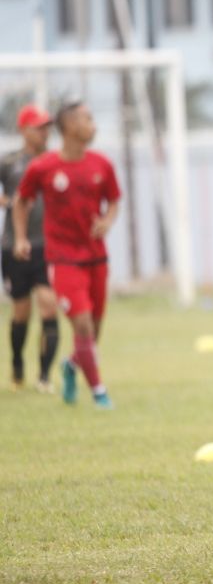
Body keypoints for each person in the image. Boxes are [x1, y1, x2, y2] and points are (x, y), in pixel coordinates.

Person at [13, 102, 120, 409]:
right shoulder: (43, 167)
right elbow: (22, 201)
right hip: (63, 259)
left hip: (97, 257)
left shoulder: (102, 164)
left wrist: (108, 221)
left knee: (93, 333)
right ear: (70, 126)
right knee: (82, 326)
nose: (94, 125)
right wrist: (20, 238)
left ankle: (71, 366)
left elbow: (113, 200)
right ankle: (99, 391)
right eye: (88, 119)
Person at [0, 104, 60, 393]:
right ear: (24, 129)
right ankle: (17, 364)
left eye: (48, 126)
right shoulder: (10, 162)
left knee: (49, 305)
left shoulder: (55, 161)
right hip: (14, 247)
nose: (45, 131)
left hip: (49, 246)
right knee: (21, 312)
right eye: (39, 126)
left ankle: (45, 376)